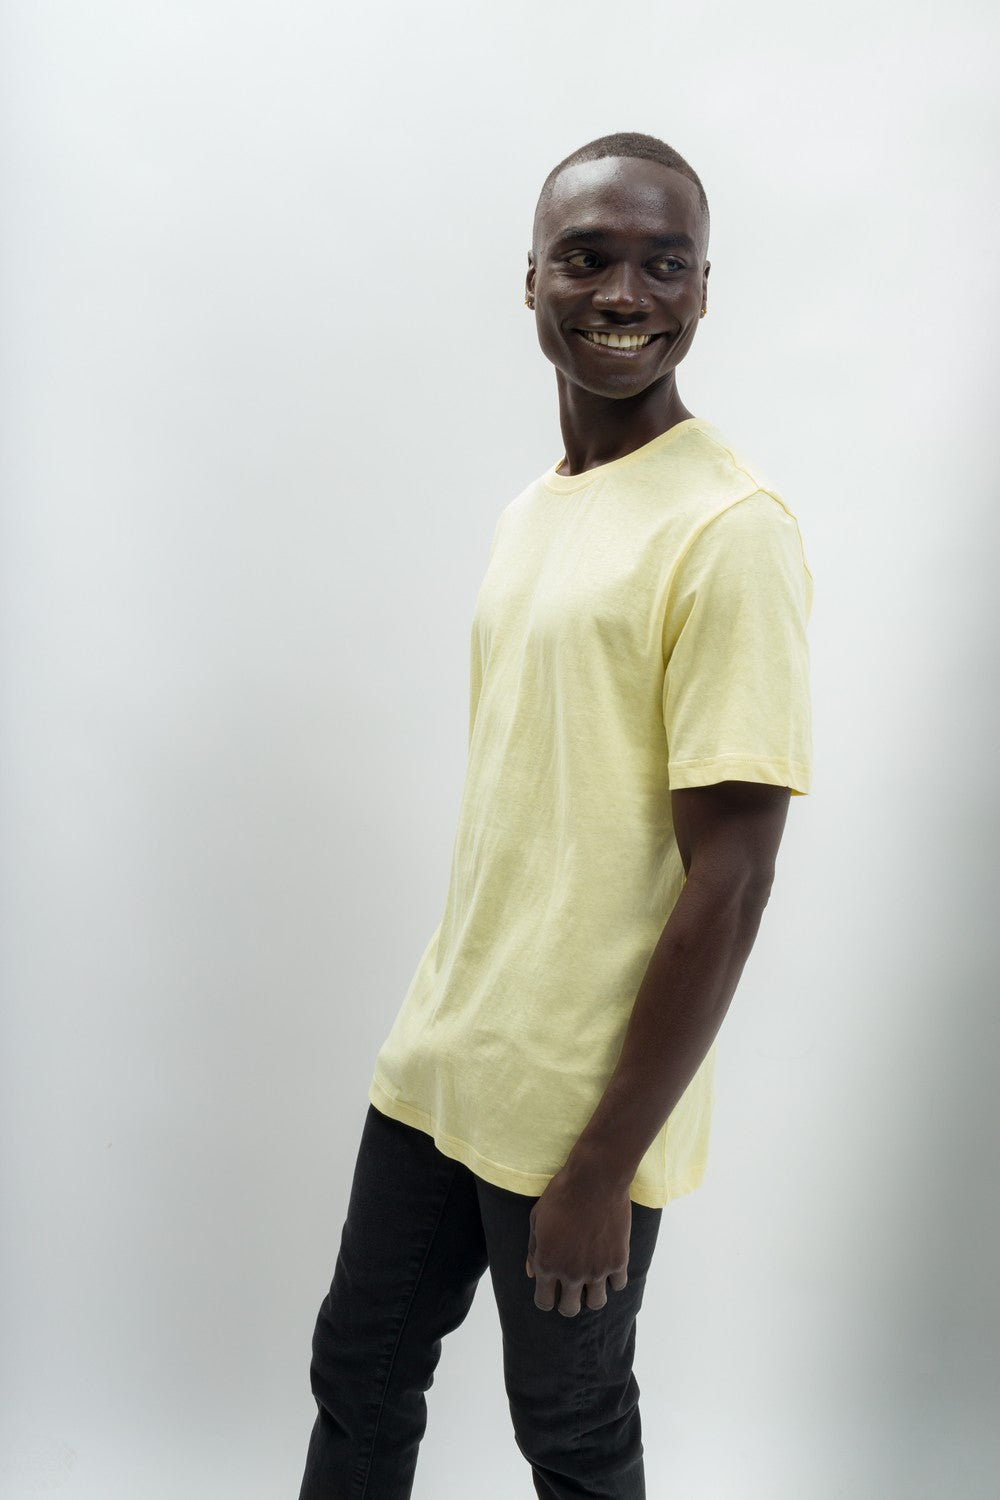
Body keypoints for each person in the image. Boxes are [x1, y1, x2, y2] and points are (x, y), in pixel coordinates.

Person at [297, 131, 812, 1500]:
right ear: (532, 278)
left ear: (704, 288)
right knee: (359, 1376)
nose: (625, 294)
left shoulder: (730, 529)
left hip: (583, 1108)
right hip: (443, 1061)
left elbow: (734, 880)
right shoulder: (537, 510)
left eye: (665, 264)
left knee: (572, 1435)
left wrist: (603, 1167)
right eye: (587, 258)